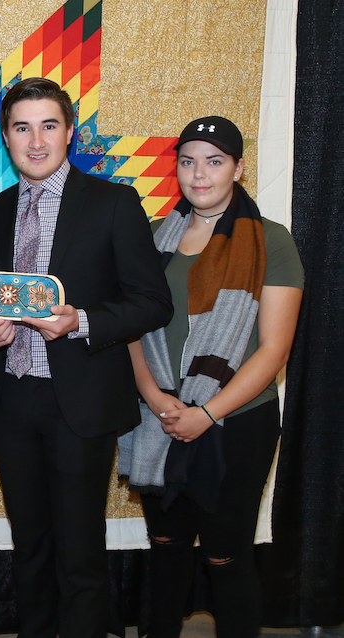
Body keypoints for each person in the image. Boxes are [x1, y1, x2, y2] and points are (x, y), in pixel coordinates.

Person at [0, 77, 173, 637]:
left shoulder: (113, 202)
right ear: (7, 139)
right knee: (29, 547)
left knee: (79, 550)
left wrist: (80, 320)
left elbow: (153, 302)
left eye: (48, 125)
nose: (36, 140)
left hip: (81, 404)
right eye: (21, 127)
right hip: (13, 405)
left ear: (70, 133)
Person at [117, 116, 304, 637]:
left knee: (226, 557)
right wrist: (153, 396)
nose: (200, 175)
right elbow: (131, 325)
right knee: (167, 551)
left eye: (215, 161)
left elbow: (274, 349)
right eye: (188, 161)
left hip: (236, 423)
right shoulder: (155, 236)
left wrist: (206, 413)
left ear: (239, 169)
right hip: (158, 419)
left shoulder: (271, 242)